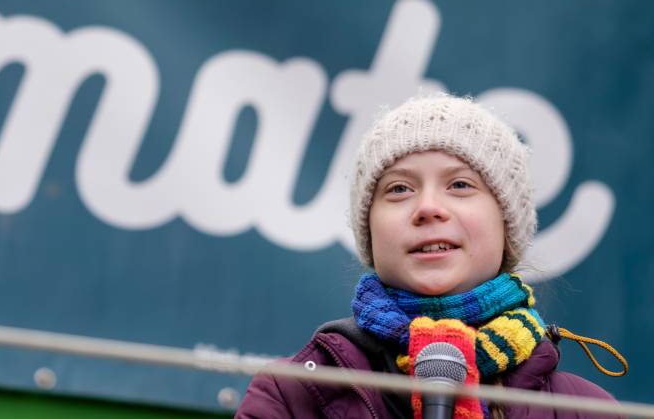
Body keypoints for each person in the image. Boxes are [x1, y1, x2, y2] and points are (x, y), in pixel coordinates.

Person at [236, 94, 625, 418]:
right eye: (400, 189)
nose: (428, 208)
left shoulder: (588, 411)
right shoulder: (291, 396)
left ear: (506, 223)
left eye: (459, 184)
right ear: (369, 229)